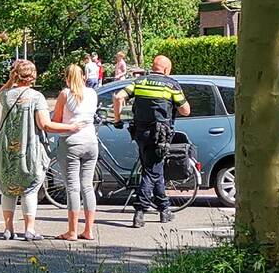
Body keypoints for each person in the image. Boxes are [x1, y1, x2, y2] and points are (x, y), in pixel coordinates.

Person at [0, 60, 84, 241]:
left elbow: (0, 92)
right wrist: (71, 128)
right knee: (30, 189)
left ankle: (8, 229)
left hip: (6, 150)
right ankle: (29, 229)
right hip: (29, 149)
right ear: (33, 76)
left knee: (8, 189)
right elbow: (45, 124)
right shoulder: (37, 97)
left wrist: (11, 80)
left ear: (16, 74)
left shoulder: (6, 95)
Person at [112, 55, 191, 228]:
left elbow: (118, 97)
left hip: (140, 133)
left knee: (154, 168)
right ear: (166, 69)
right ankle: (140, 211)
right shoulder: (171, 85)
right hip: (160, 136)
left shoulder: (139, 82)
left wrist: (117, 120)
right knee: (152, 171)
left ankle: (164, 209)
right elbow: (186, 111)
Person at [52, 64, 99, 240]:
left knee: (72, 187)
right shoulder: (93, 94)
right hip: (91, 142)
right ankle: (88, 230)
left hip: (71, 143)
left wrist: (68, 125)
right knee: (87, 186)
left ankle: (72, 231)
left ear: (67, 78)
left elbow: (55, 121)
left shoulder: (65, 94)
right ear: (84, 77)